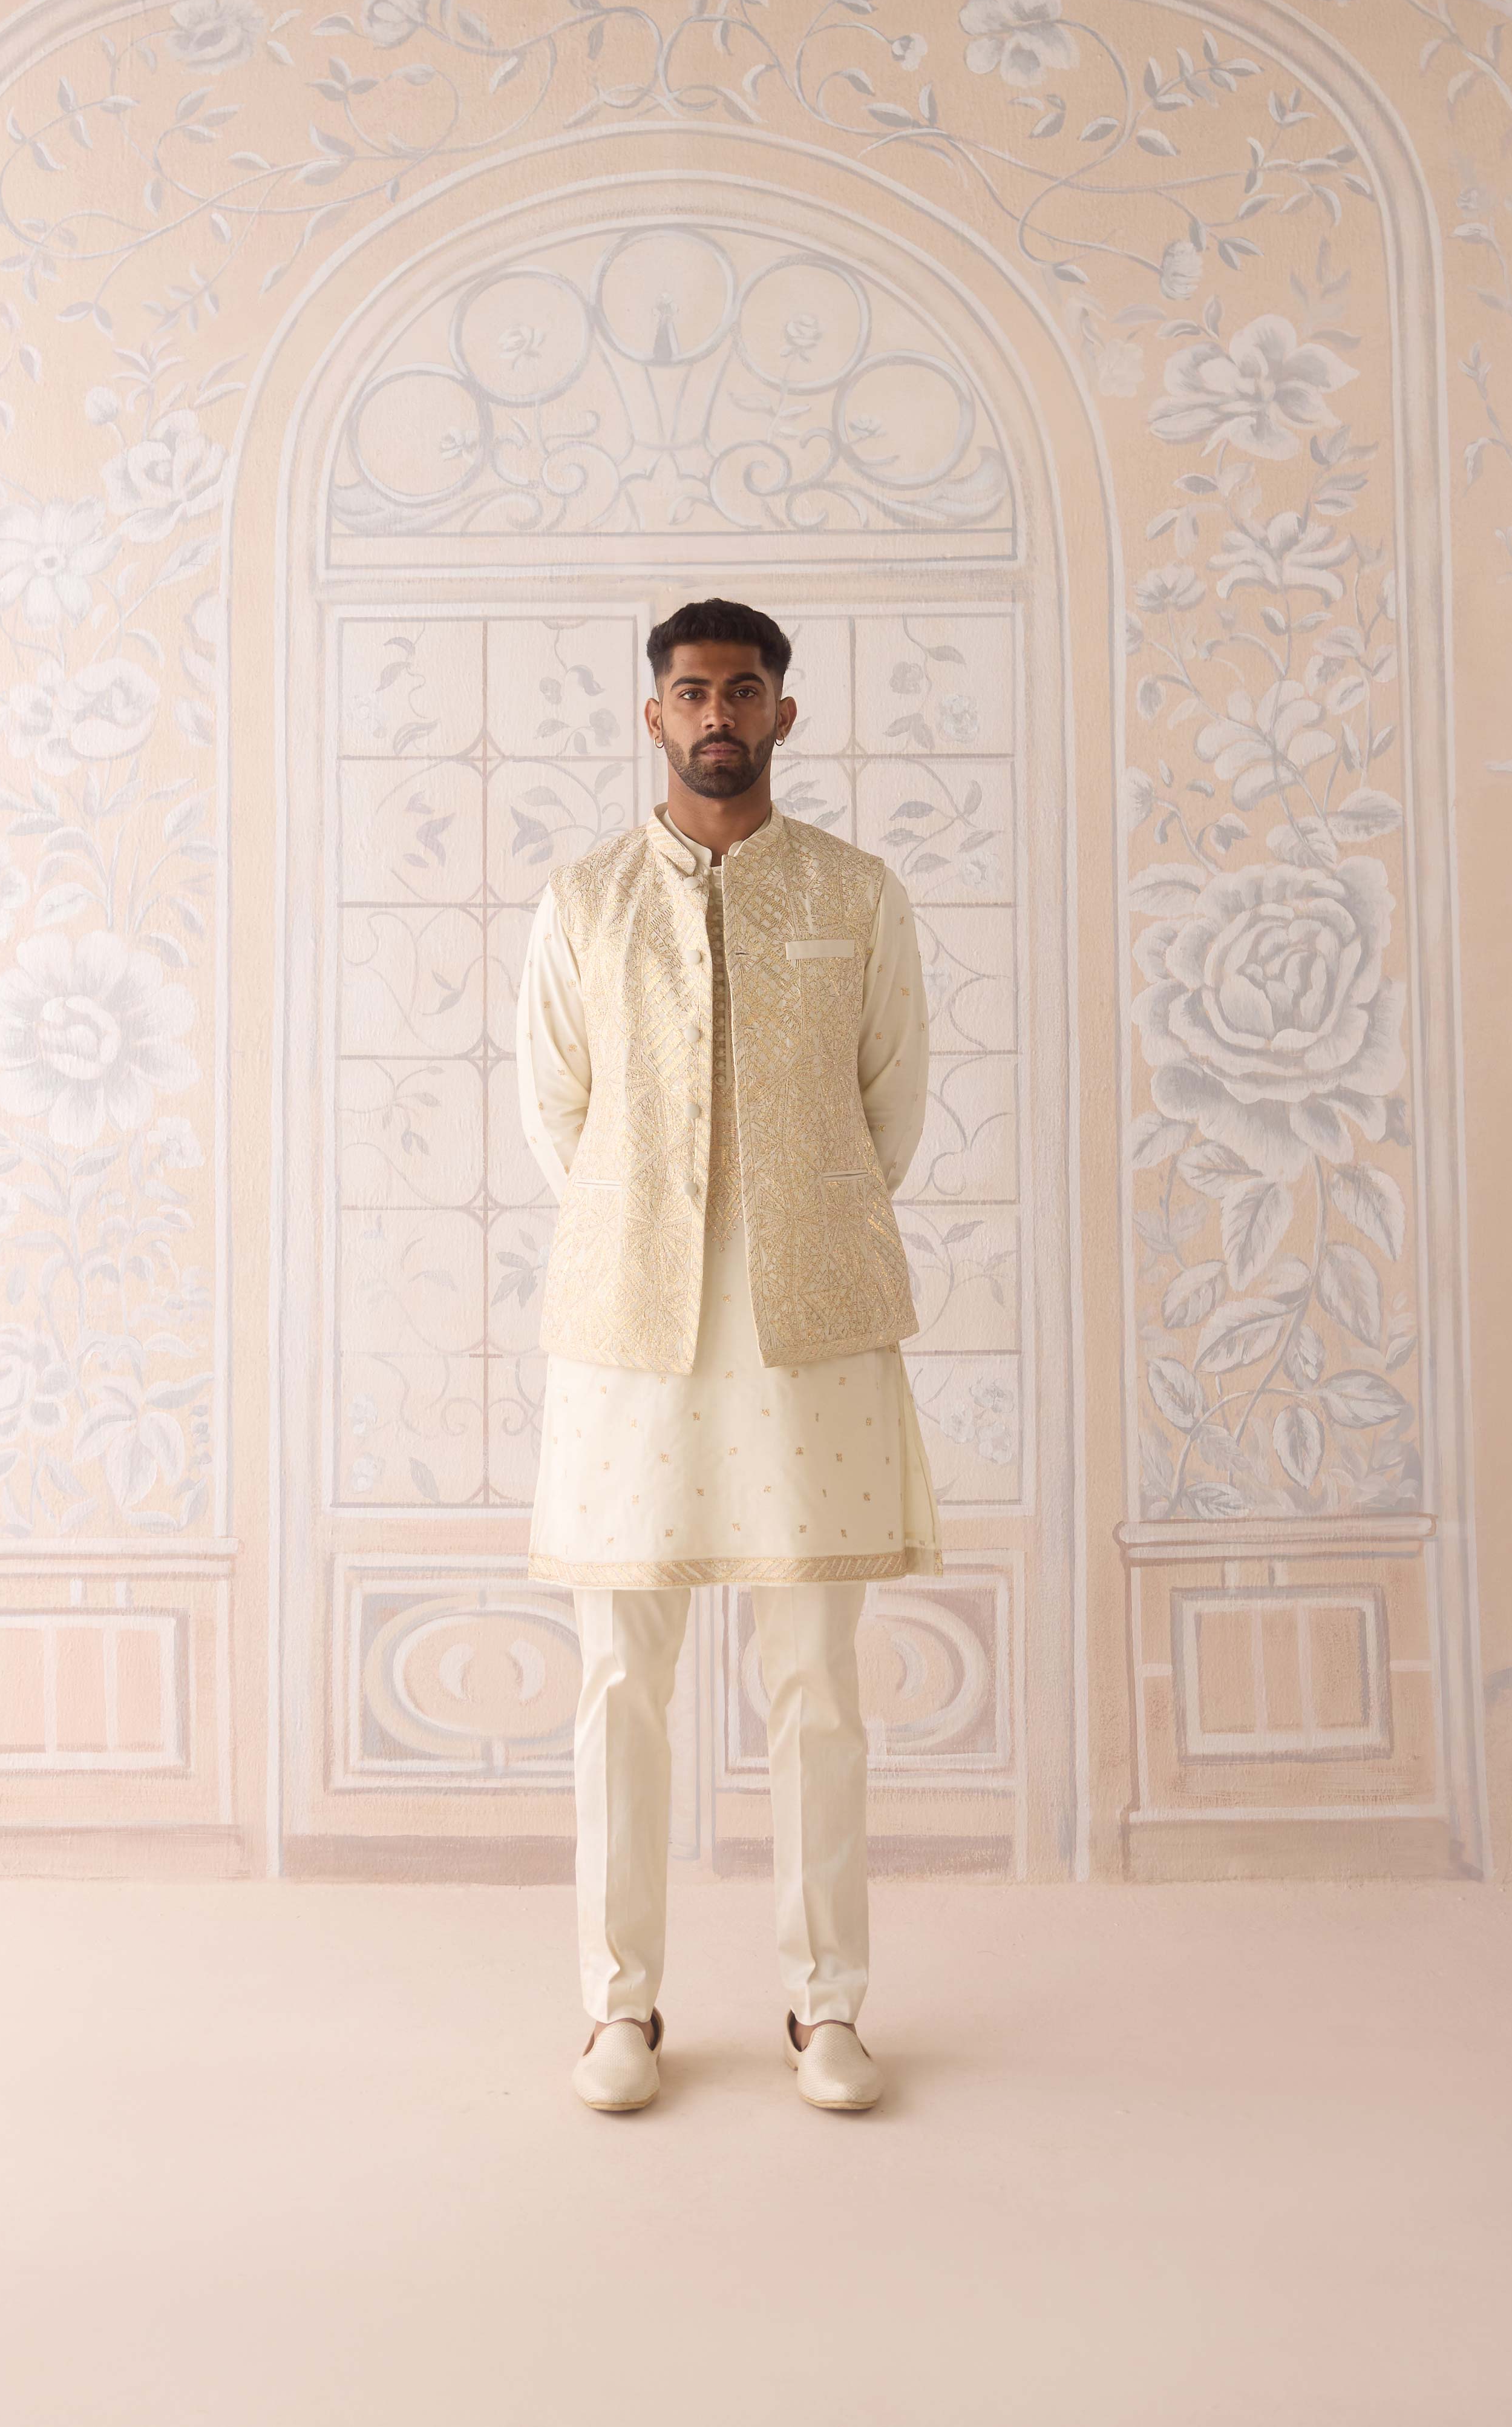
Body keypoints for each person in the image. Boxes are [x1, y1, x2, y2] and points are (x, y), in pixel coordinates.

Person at [515, 599, 940, 2115]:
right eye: (691, 692)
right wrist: (653, 1227)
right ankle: (617, 2011)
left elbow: (890, 1106)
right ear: (654, 716)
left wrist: (795, 1228)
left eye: (743, 691)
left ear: (782, 714)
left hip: (807, 1335)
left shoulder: (855, 893)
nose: (717, 715)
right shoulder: (583, 902)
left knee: (815, 1678)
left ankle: (827, 2008)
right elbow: (558, 1116)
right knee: (620, 1681)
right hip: (629, 1337)